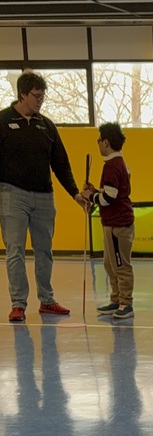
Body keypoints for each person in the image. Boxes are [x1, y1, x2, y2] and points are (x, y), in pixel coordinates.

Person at [0, 71, 87, 323]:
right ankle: (18, 304)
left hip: (44, 196)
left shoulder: (46, 125)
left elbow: (61, 163)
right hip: (11, 193)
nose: (40, 100)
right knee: (15, 250)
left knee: (44, 250)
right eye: (36, 96)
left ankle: (47, 300)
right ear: (23, 94)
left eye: (42, 96)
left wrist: (74, 193)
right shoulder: (3, 121)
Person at [82, 122, 135, 320]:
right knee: (110, 264)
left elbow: (108, 199)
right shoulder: (114, 164)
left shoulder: (113, 166)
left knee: (121, 266)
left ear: (106, 142)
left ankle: (126, 303)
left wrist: (91, 196)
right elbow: (108, 193)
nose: (97, 143)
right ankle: (116, 299)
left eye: (99, 140)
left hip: (118, 225)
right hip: (111, 223)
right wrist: (95, 191)